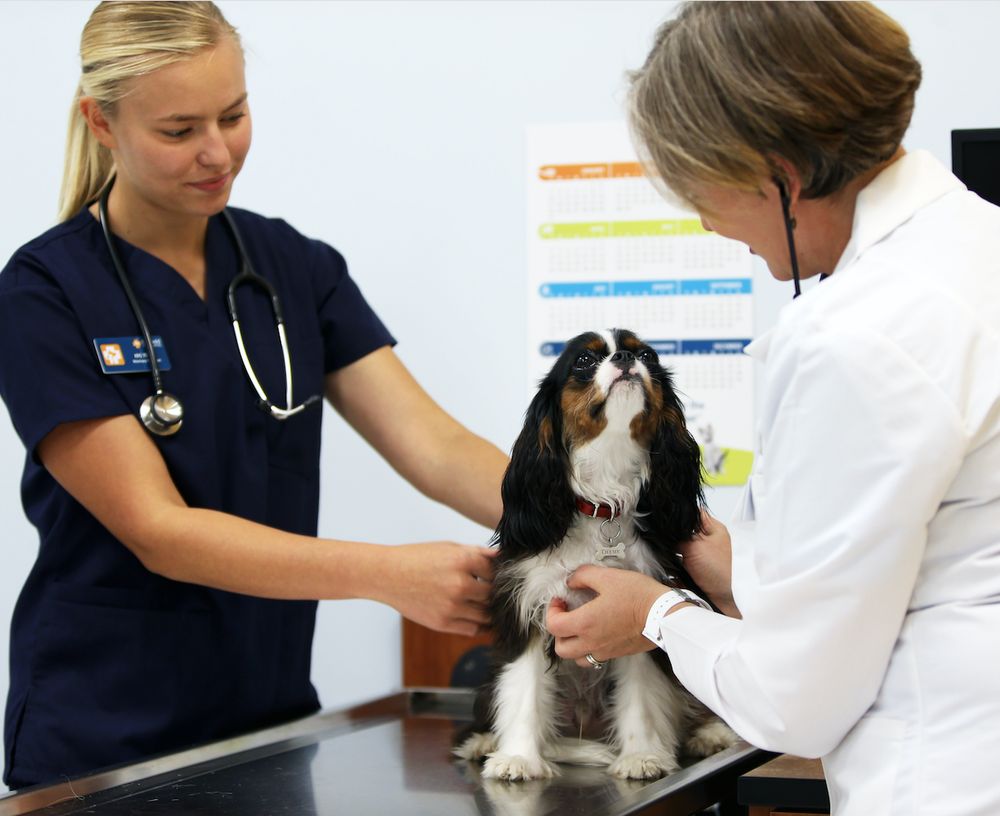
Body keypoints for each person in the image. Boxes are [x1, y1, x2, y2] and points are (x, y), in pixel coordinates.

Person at [0, 1, 508, 790]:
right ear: (101, 122)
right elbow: (160, 530)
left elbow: (435, 447)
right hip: (104, 736)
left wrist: (590, 518)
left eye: (233, 116)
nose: (217, 153)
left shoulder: (292, 267)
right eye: (179, 131)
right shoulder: (45, 294)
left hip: (269, 723)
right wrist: (385, 574)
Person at [546, 3, 1000, 814]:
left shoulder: (857, 335)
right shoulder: (976, 243)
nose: (706, 222)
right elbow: (938, 547)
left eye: (700, 191)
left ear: (776, 175)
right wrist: (742, 570)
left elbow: (796, 703)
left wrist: (659, 616)